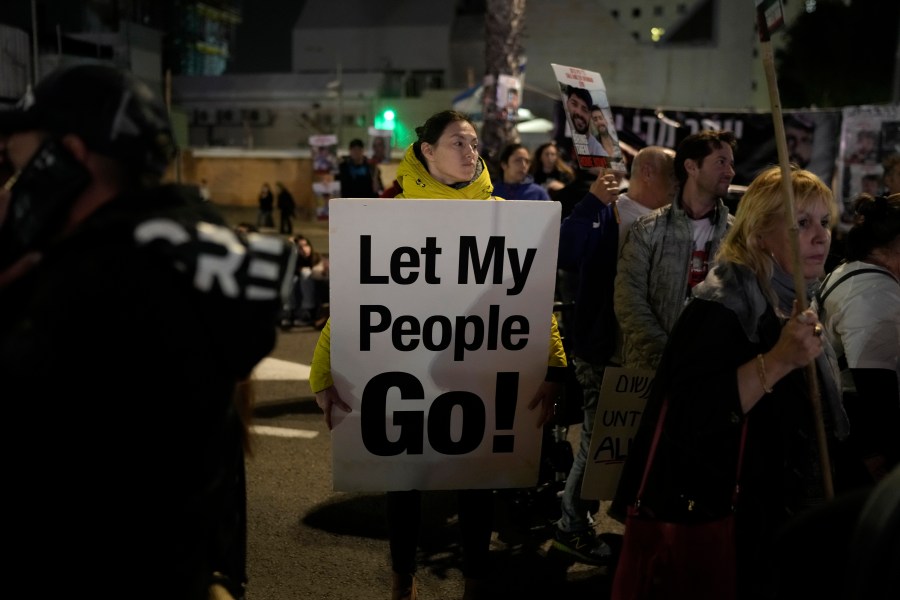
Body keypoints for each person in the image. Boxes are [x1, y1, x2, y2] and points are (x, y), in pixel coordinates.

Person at [0, 63, 296, 600]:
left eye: (17, 166)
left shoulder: (88, 285)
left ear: (67, 157)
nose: (12, 189)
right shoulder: (176, 251)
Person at [309, 109, 567, 600]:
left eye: (474, 144)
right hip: (402, 366)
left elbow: (524, 295)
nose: (471, 152)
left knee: (479, 478)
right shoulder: (391, 214)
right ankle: (402, 578)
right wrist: (323, 369)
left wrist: (552, 364)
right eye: (458, 143)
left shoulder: (499, 213)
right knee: (401, 477)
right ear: (427, 151)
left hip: (475, 367)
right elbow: (359, 298)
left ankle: (474, 580)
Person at [612, 165, 848, 599]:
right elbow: (690, 413)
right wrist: (777, 361)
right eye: (801, 223)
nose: (821, 236)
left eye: (824, 222)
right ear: (759, 234)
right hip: (729, 522)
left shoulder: (791, 300)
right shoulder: (720, 305)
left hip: (780, 514)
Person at [552, 146, 676, 564]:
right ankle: (571, 527)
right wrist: (591, 203)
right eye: (673, 176)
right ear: (649, 175)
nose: (679, 185)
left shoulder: (668, 221)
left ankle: (597, 519)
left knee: (617, 442)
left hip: (638, 352)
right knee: (594, 441)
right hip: (602, 348)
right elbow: (564, 253)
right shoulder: (611, 212)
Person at [615, 129, 737, 371]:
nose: (730, 172)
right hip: (648, 377)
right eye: (721, 162)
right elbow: (628, 301)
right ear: (691, 167)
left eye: (732, 164)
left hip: (710, 377)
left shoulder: (737, 236)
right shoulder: (648, 229)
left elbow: (746, 308)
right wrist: (667, 358)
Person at [815, 192, 900, 484]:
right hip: (862, 450)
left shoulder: (851, 270)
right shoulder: (875, 294)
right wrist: (880, 454)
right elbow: (876, 391)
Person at [281, 233, 329, 328]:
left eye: (306, 245)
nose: (304, 249)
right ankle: (288, 312)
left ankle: (308, 312)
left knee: (305, 272)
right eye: (299, 247)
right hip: (298, 297)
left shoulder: (317, 257)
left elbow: (319, 274)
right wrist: (290, 246)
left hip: (317, 292)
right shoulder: (293, 260)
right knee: (291, 278)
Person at [562, 85, 605, 158]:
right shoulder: (563, 140)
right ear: (567, 104)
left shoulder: (597, 150)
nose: (579, 112)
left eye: (584, 109)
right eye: (574, 104)